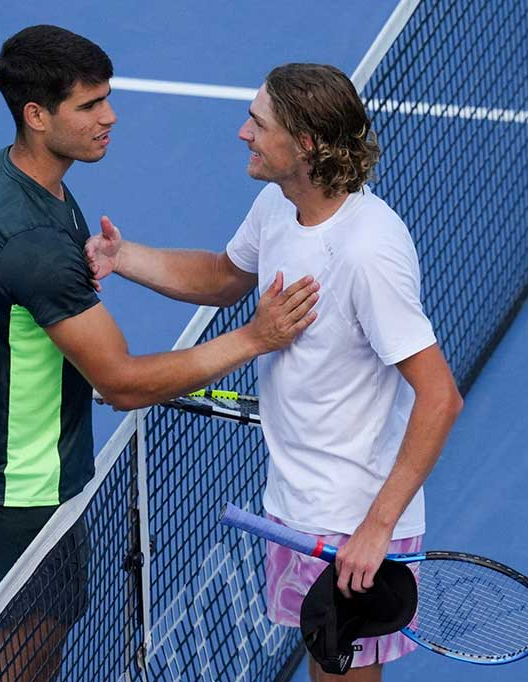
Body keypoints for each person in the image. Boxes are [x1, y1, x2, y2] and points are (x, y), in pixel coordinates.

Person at [0, 27, 319, 680]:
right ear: (36, 115)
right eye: (88, 106)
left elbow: (216, 278)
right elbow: (122, 384)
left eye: (106, 98)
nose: (109, 117)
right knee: (28, 659)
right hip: (23, 480)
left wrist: (126, 256)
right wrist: (254, 338)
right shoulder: (36, 245)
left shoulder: (1, 176)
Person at [85, 63, 463, 681]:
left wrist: (375, 528)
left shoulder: (369, 252)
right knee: (322, 666)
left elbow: (441, 398)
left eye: (257, 123)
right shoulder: (277, 205)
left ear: (305, 144)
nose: (243, 133)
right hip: (295, 504)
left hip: (352, 521)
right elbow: (220, 279)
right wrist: (123, 256)